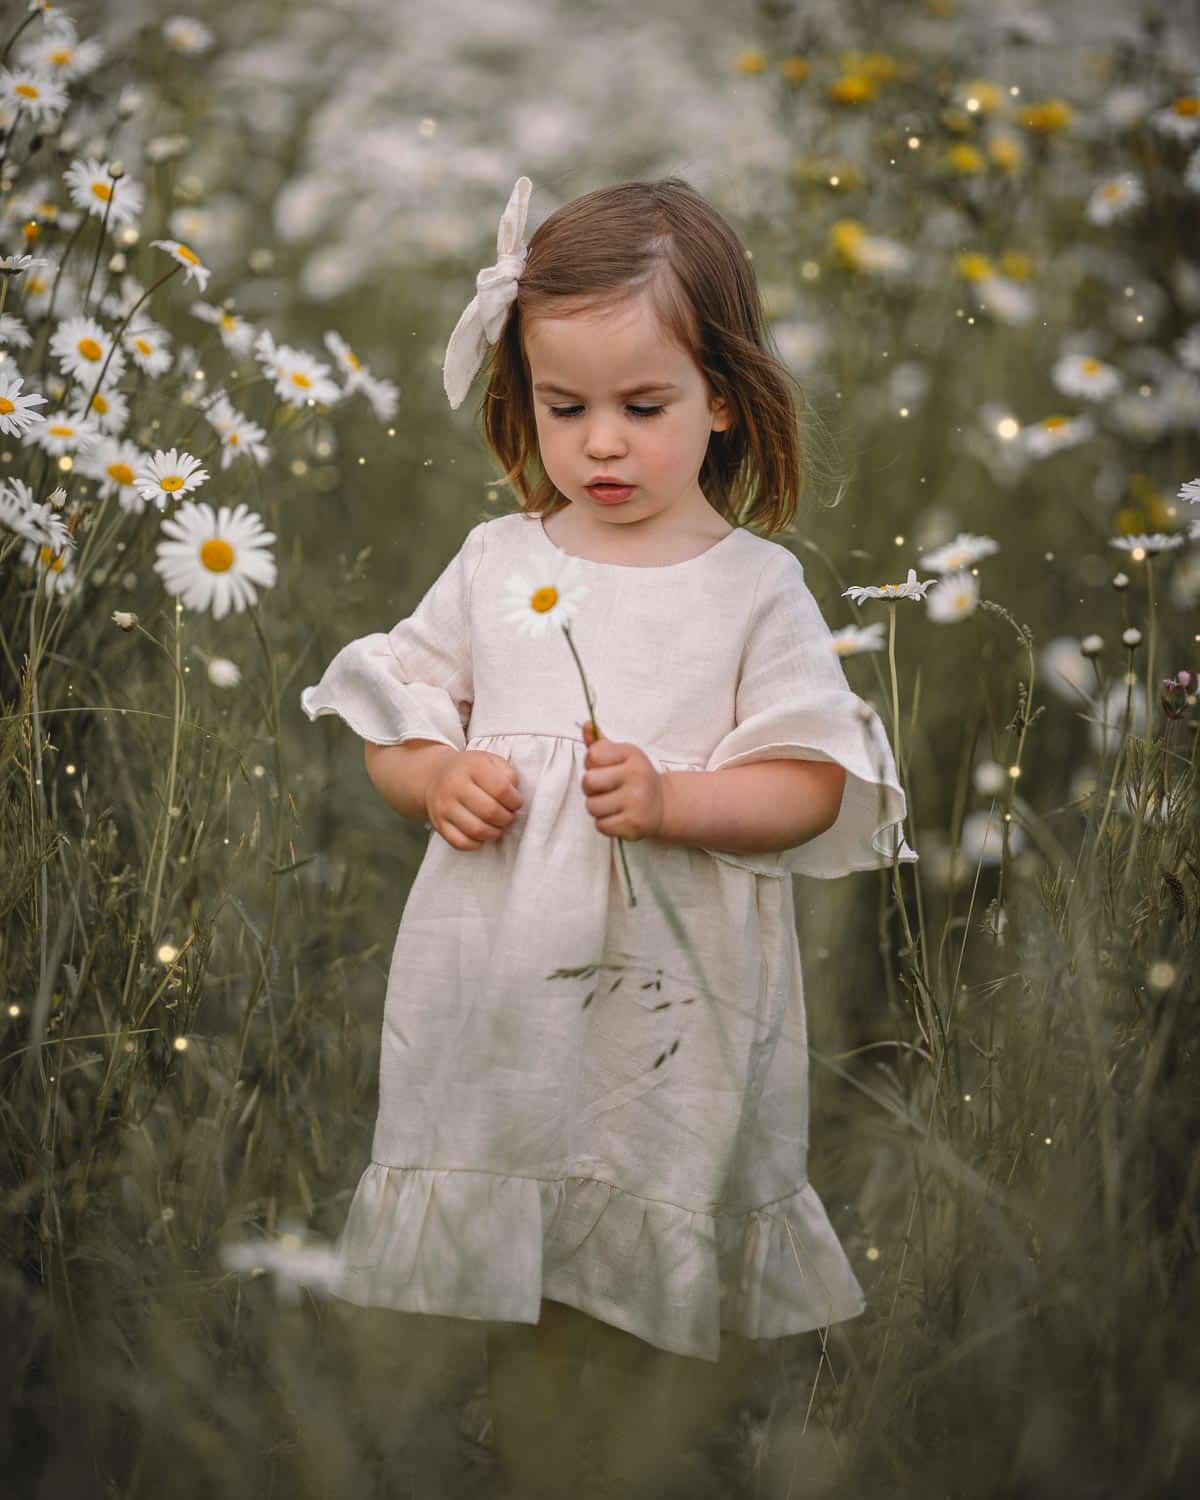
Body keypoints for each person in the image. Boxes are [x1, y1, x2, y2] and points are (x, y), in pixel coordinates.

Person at [300, 173, 918, 1498]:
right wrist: (435, 777)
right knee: (521, 1233)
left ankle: (645, 1451)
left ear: (724, 399)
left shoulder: (755, 587)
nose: (600, 447)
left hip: (674, 996)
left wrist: (679, 801)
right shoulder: (497, 562)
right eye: (563, 407)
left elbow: (813, 781)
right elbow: (397, 708)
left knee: (646, 1218)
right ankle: (523, 1447)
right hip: (508, 983)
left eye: (644, 407)